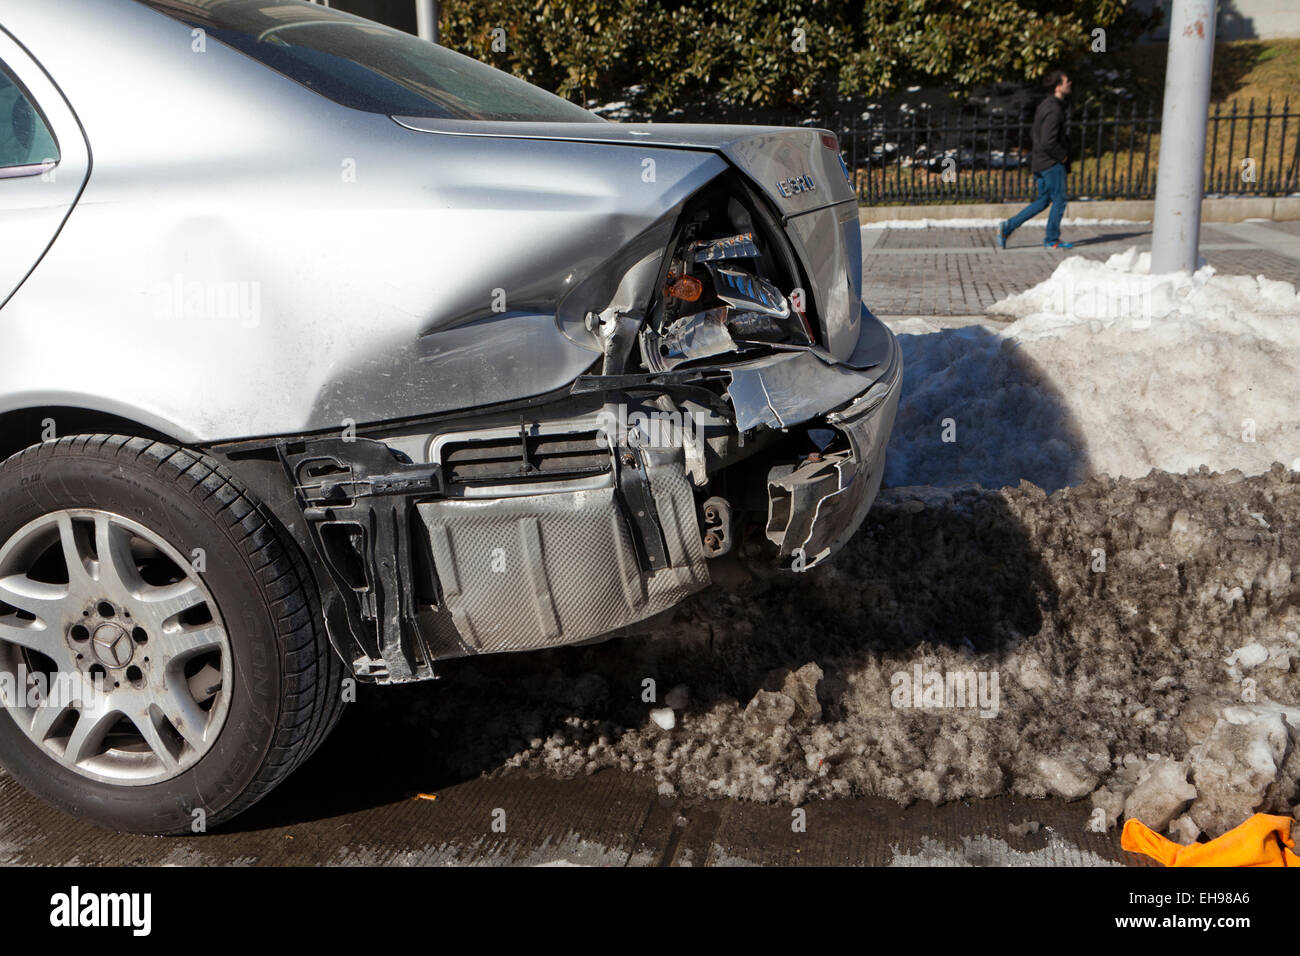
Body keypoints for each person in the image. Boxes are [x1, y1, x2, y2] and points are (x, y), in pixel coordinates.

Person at [997, 69, 1074, 250]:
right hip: (1051, 163)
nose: (1070, 84)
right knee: (1060, 201)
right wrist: (1062, 156)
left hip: (1040, 161)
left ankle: (1007, 227)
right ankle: (1052, 239)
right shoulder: (1054, 109)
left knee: (1042, 201)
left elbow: (1035, 133)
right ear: (1058, 86)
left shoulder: (1045, 105)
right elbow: (1049, 141)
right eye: (1066, 81)